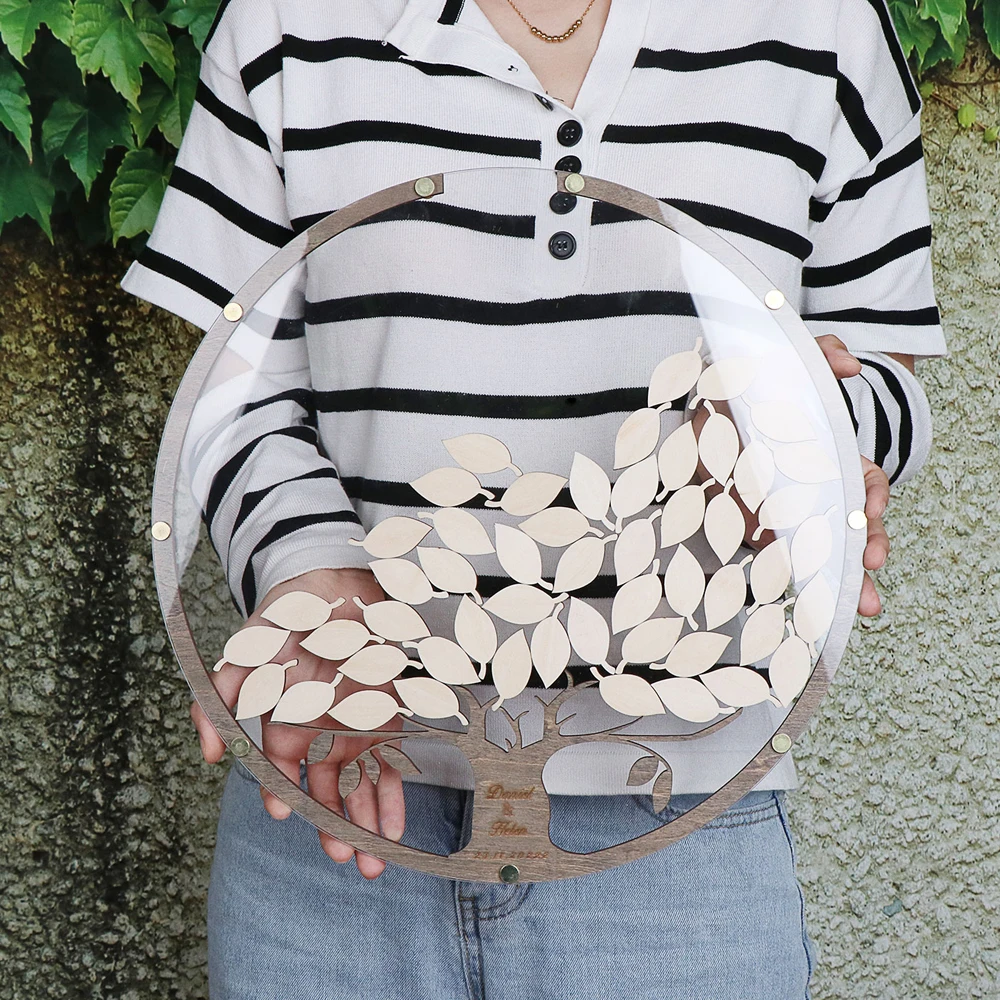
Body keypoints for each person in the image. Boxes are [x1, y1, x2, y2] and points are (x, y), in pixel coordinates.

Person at [122, 0, 947, 996]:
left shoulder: (822, 27)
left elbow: (880, 375)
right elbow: (233, 377)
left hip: (682, 827)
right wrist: (310, 569)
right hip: (339, 820)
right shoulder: (287, 20)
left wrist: (799, 434)